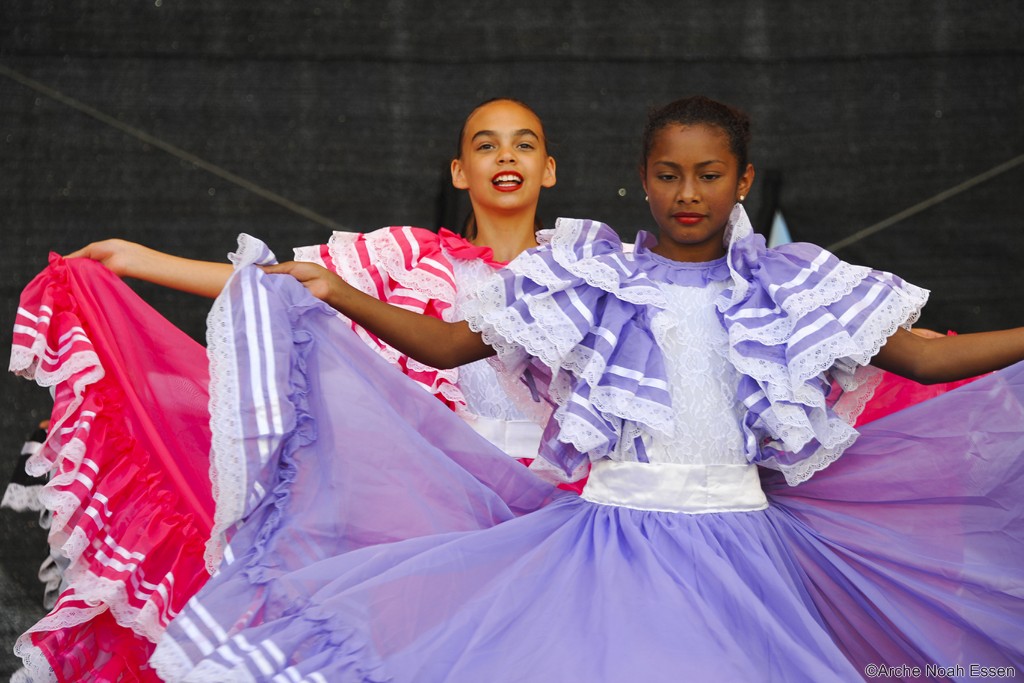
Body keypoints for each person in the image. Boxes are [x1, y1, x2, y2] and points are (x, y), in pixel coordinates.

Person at [150, 95, 1024, 681]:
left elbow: (922, 358)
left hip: (745, 546)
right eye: (670, 174)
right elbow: (450, 344)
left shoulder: (787, 284)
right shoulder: (593, 277)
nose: (688, 193)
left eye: (710, 174)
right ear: (643, 179)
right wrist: (343, 292)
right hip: (614, 543)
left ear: (743, 181)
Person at [8, 98, 562, 682]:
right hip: (431, 512)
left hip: (548, 510)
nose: (506, 156)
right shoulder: (409, 257)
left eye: (524, 144)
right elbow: (280, 286)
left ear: (549, 169)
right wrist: (139, 259)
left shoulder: (588, 271)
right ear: (459, 172)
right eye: (486, 145)